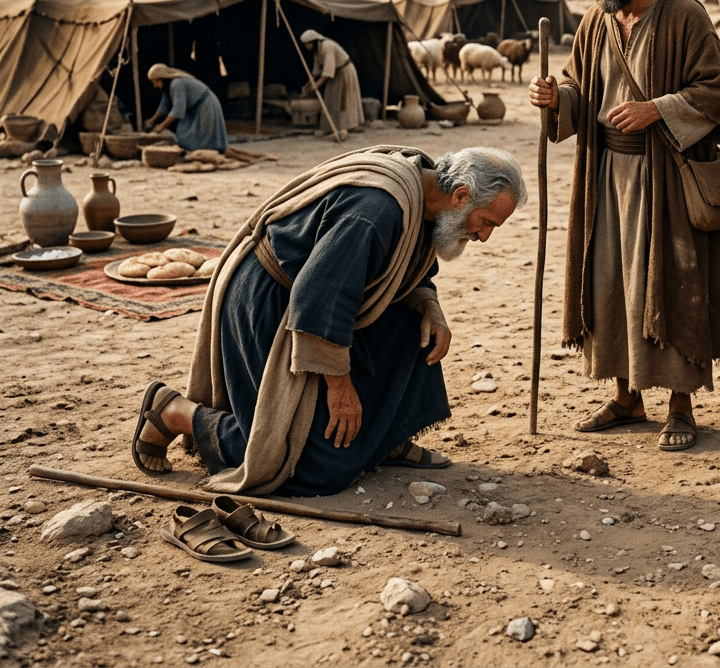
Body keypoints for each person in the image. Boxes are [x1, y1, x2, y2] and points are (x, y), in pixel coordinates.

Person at [131, 145, 527, 496]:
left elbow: (405, 266)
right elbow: (319, 297)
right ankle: (175, 412)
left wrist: (429, 306)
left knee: (413, 328)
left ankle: (384, 439)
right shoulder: (374, 210)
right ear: (460, 195)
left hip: (323, 299)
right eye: (487, 222)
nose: (484, 236)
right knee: (303, 462)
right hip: (273, 301)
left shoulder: (426, 194)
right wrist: (339, 387)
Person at [529, 0, 720, 452]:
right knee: (610, 286)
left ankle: (681, 406)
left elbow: (715, 92)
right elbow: (578, 89)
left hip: (664, 174)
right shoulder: (596, 23)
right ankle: (625, 397)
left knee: (670, 284)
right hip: (604, 177)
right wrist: (557, 101)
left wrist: (656, 110)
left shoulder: (684, 14)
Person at [144, 63, 228, 153]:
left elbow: (178, 110)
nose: (155, 85)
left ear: (163, 78)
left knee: (202, 136)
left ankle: (209, 152)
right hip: (195, 108)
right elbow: (164, 106)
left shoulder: (177, 84)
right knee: (182, 132)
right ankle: (198, 151)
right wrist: (152, 120)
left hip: (205, 105)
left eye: (156, 81)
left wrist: (162, 126)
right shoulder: (167, 88)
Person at [300, 29, 365, 134]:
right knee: (331, 98)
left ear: (314, 41)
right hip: (334, 74)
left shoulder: (327, 46)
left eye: (308, 43)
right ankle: (331, 127)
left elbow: (327, 71)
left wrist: (316, 86)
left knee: (343, 101)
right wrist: (308, 84)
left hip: (344, 72)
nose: (307, 46)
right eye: (306, 44)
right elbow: (316, 72)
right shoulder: (317, 51)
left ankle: (346, 127)